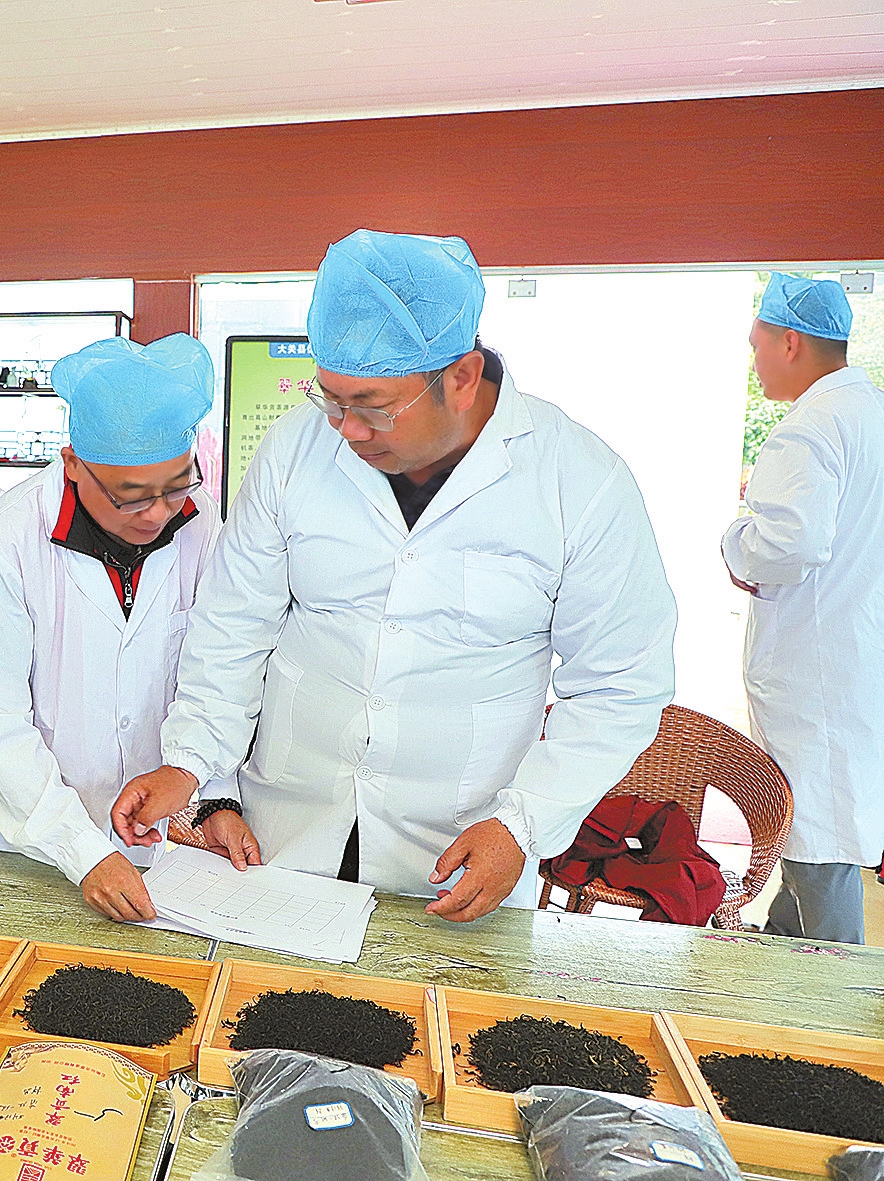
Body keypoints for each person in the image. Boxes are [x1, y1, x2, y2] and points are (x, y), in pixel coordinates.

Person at [115, 229, 677, 921]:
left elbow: (620, 685)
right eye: (331, 400)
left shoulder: (579, 481)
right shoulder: (293, 450)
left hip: (461, 853)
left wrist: (523, 824)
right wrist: (200, 769)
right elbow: (233, 626)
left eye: (374, 406)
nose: (346, 429)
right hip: (282, 833)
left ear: (462, 378)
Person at [0, 333, 238, 922]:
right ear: (73, 464)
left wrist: (208, 790)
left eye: (176, 486)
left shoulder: (200, 524)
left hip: (157, 843)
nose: (158, 514)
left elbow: (218, 669)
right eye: (131, 496)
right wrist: (82, 851)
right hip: (30, 847)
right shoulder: (1, 543)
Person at [724, 274, 883, 945]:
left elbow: (791, 542)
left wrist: (736, 544)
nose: (754, 359)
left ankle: (840, 997)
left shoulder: (811, 427)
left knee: (819, 854)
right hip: (851, 657)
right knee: (813, 841)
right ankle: (781, 952)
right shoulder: (870, 411)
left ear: (790, 342)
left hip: (816, 677)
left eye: (757, 344)